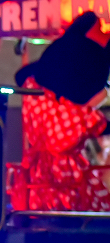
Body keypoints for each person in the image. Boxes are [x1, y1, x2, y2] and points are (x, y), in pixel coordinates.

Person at [11, 11, 110, 212]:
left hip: (37, 175)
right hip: (62, 180)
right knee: (76, 209)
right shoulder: (71, 118)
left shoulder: (35, 94)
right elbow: (64, 139)